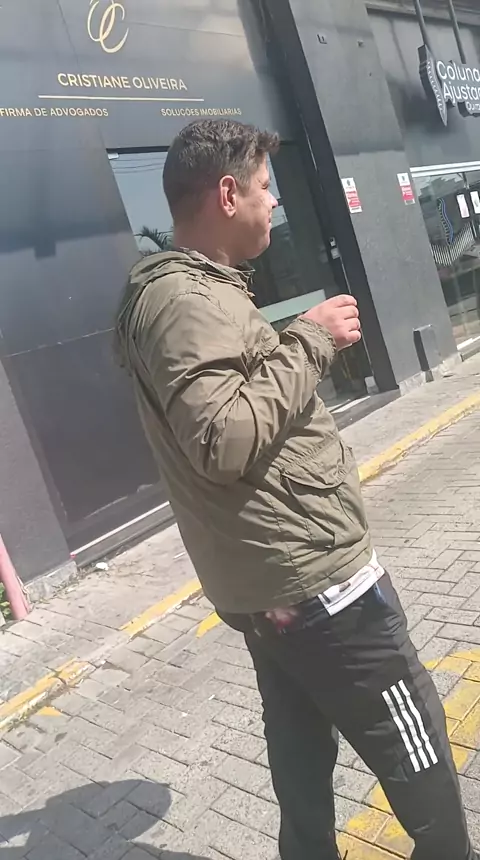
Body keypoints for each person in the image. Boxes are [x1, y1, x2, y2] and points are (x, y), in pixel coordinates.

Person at [115, 119, 476, 860]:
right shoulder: (184, 301)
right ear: (227, 194)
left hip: (275, 586)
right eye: (263, 187)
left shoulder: (193, 291)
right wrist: (311, 338)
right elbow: (220, 440)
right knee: (417, 745)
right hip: (317, 584)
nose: (274, 202)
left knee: (301, 754)